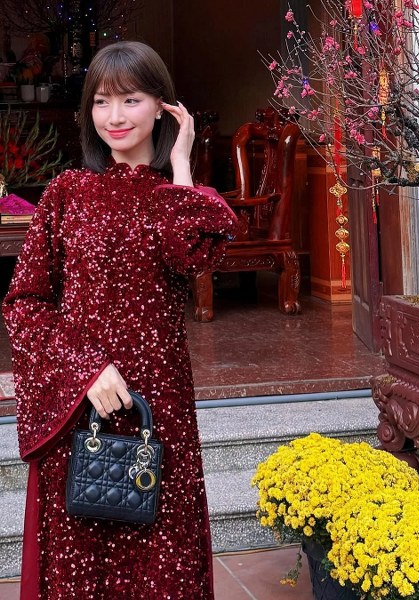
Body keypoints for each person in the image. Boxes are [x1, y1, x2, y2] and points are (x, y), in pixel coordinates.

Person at [2, 41, 237, 599]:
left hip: (158, 403)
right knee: (80, 562)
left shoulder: (177, 197)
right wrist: (86, 369)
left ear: (161, 105)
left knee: (161, 561)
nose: (114, 116)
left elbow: (193, 255)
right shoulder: (66, 193)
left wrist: (182, 164)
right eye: (102, 102)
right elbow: (24, 303)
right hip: (81, 404)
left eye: (131, 100)